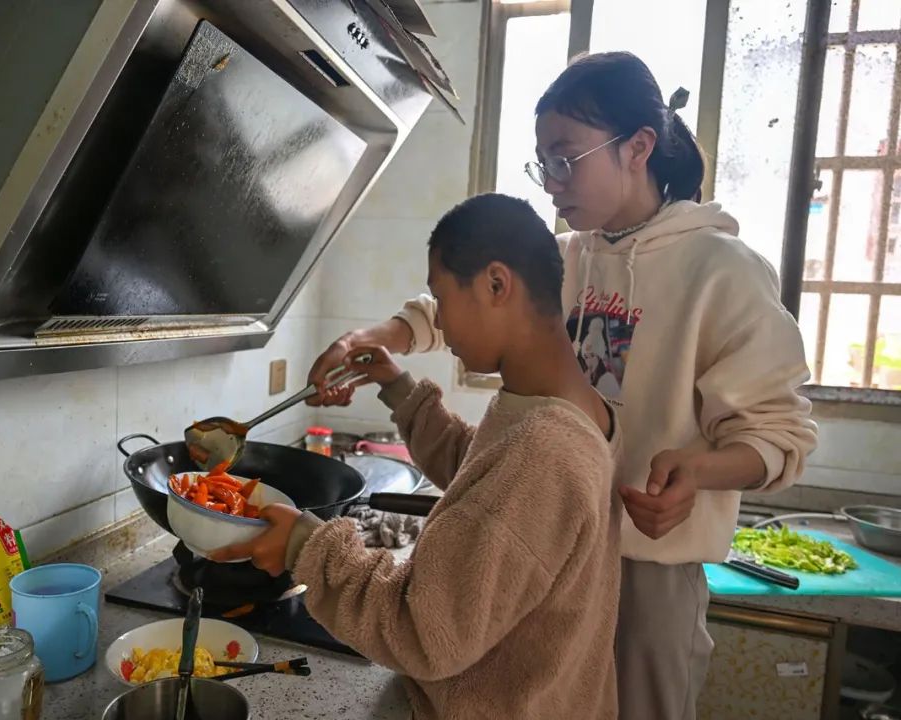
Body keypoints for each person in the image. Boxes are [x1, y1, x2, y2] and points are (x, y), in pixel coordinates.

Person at [305, 52, 818, 720]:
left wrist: (701, 470)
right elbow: (453, 309)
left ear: (638, 147)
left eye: (566, 157)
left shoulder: (722, 271)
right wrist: (376, 340)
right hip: (554, 565)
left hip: (648, 568)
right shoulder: (572, 256)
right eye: (541, 159)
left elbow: (782, 436)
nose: (550, 182)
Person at [212, 193, 623, 720]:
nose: (442, 325)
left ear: (497, 284)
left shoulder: (544, 448)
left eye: (442, 298)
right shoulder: (575, 408)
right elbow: (482, 475)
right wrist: (397, 387)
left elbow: (425, 632)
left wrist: (304, 545)